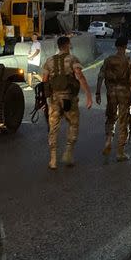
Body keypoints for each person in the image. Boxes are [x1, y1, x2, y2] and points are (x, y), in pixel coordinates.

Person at [42, 36, 93, 170]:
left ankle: (53, 159)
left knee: (53, 127)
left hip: (54, 99)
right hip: (68, 98)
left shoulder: (49, 60)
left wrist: (45, 98)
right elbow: (79, 76)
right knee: (73, 123)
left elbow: (45, 79)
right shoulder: (72, 59)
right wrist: (88, 95)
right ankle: (68, 153)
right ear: (68, 45)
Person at [96, 36, 131, 161]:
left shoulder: (108, 60)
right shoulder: (129, 61)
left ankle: (108, 140)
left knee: (111, 117)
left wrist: (98, 92)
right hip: (124, 94)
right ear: (125, 47)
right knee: (123, 120)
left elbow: (101, 76)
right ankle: (120, 152)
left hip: (111, 93)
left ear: (116, 46)